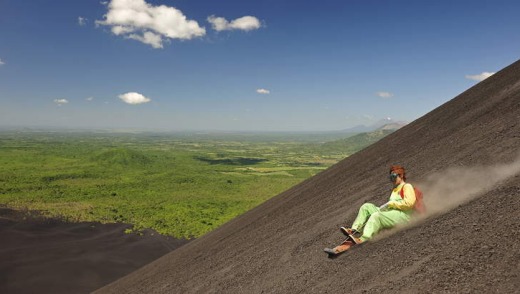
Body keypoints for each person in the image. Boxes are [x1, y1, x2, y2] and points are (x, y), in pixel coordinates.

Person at [324, 165, 416, 255]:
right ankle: (354, 230)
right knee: (366, 207)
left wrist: (392, 204)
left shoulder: (407, 187)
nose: (392, 179)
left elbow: (410, 203)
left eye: (394, 176)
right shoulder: (395, 189)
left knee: (376, 216)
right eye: (390, 177)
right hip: (392, 213)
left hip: (403, 215)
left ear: (401, 175)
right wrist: (387, 206)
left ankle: (363, 239)